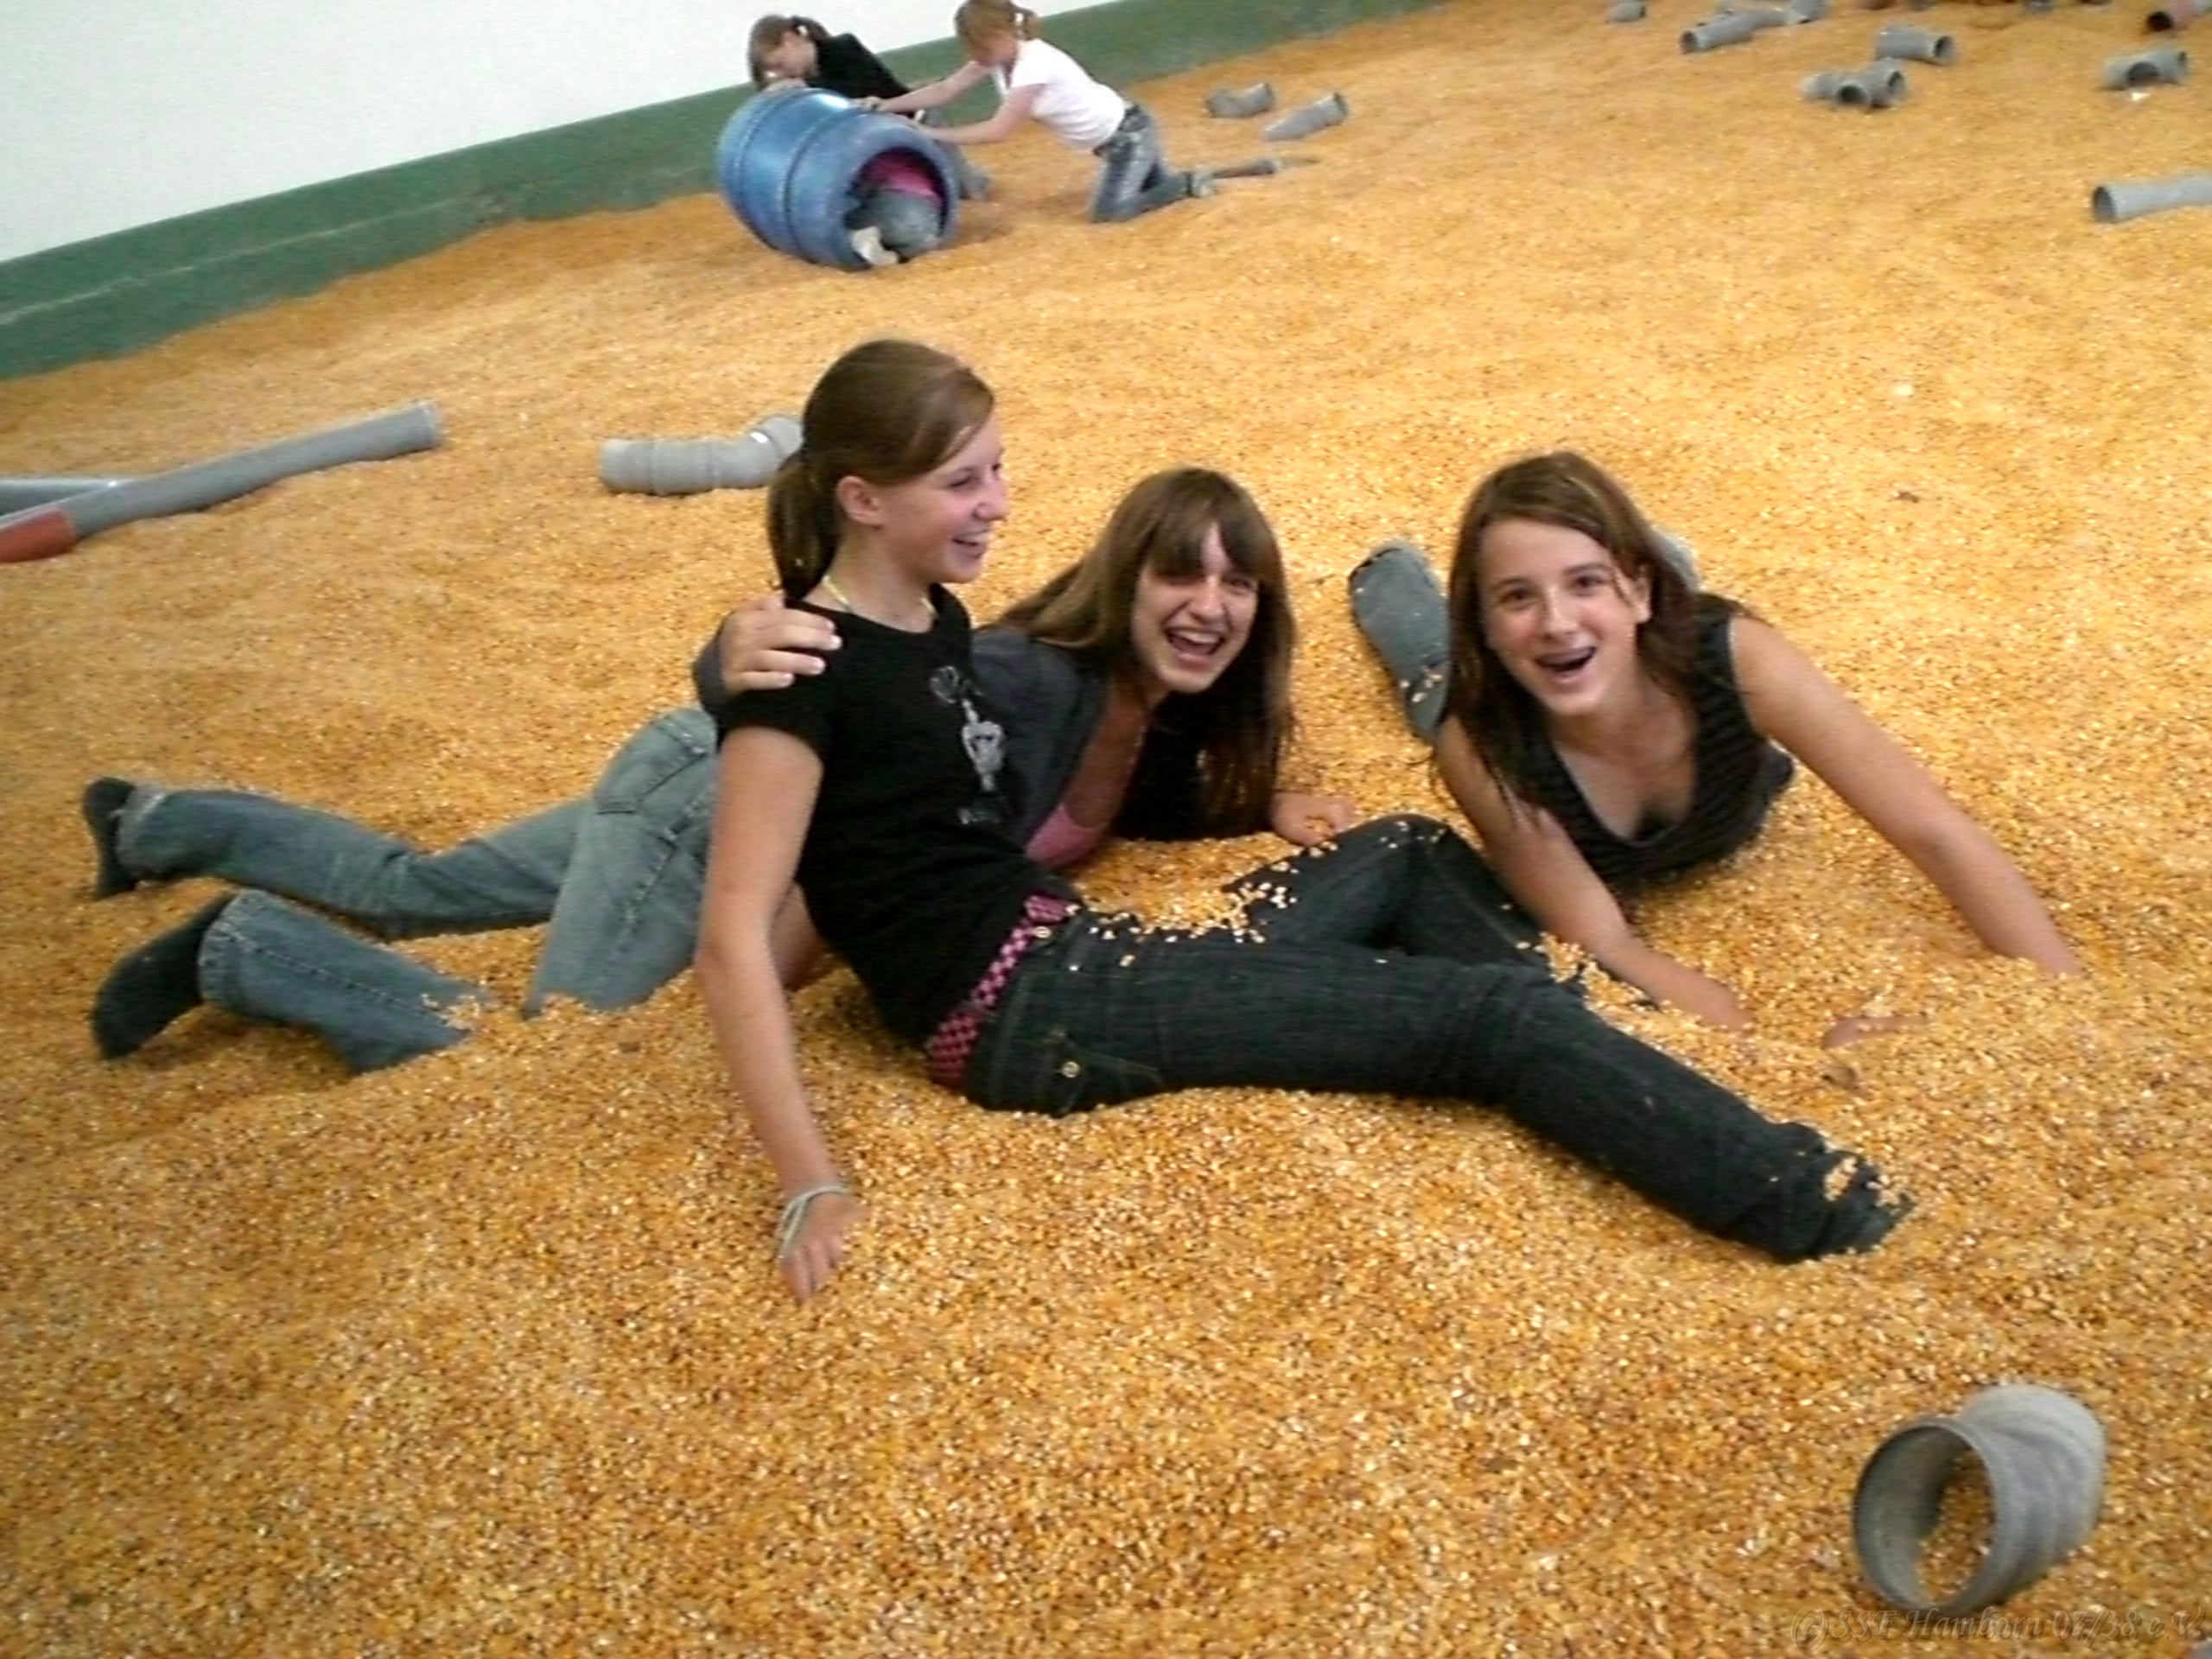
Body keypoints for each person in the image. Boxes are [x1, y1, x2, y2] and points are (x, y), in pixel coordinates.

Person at [694, 337, 1911, 1304]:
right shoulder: (801, 665)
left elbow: (880, 841)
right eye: (965, 481)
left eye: (996, 470)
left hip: (1077, 950)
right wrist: (809, 1182)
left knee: (1407, 847)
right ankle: (1826, 1207)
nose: (999, 503)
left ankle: (1625, 1043)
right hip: (1038, 1012)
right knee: (1488, 1019)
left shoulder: (932, 622)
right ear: (862, 498)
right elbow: (734, 933)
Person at [80, 472, 1351, 1074]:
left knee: (426, 888)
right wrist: (746, 983)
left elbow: (1120, 801)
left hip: (700, 774)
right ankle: (250, 950)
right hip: (719, 802)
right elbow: (850, 781)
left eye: (1238, 584)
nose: (1210, 605)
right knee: (565, 1054)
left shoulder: (1146, 715)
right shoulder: (1022, 681)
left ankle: (158, 822)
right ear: (1126, 577)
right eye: (1181, 575)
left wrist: (1262, 803)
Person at [1346, 450, 2082, 1033]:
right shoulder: (1482, 749)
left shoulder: (1739, 661)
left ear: (1636, 591)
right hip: (1497, 689)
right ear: (1486, 623)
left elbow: (1935, 831)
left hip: (1661, 640)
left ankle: (1654, 561)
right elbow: (1604, 943)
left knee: (1652, 622)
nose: (1556, 620)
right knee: (1432, 673)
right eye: (1516, 596)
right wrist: (1780, 1052)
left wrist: (2058, 995)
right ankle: (1388, 572)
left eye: (1586, 583)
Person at [865, 1, 1212, 225]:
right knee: (1148, 190)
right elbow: (945, 89)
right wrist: (886, 104)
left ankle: (1185, 184)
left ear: (1004, 34)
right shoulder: (997, 58)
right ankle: (1178, 183)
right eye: (971, 46)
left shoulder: (1033, 64)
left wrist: (929, 134)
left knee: (1110, 212)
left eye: (982, 44)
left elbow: (998, 130)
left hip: (1130, 135)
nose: (976, 53)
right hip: (1114, 141)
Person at [747, 14, 992, 202]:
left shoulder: (843, 48)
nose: (783, 72)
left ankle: (971, 175)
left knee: (967, 188)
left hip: (914, 121)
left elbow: (859, 93)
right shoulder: (805, 80)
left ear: (791, 40)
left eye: (780, 63)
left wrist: (808, 88)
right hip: (875, 141)